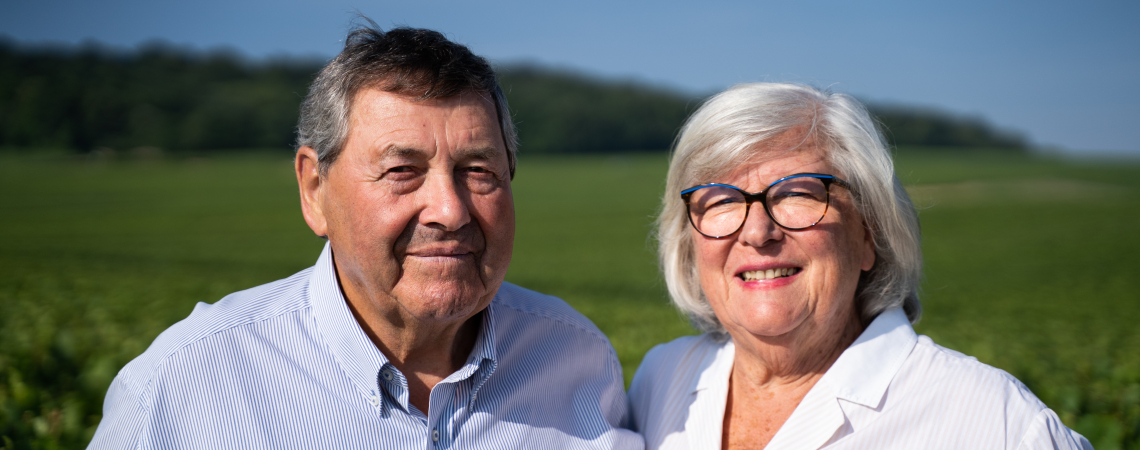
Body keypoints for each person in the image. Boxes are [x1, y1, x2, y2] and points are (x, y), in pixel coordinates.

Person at [88, 25, 642, 449]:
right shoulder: (186, 386)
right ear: (314, 189)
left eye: (479, 170)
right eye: (402, 171)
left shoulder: (577, 360)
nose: (449, 210)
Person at [628, 82, 1091, 450]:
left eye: (797, 193)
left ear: (870, 232)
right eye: (722, 201)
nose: (757, 232)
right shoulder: (663, 380)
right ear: (688, 239)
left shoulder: (999, 425)